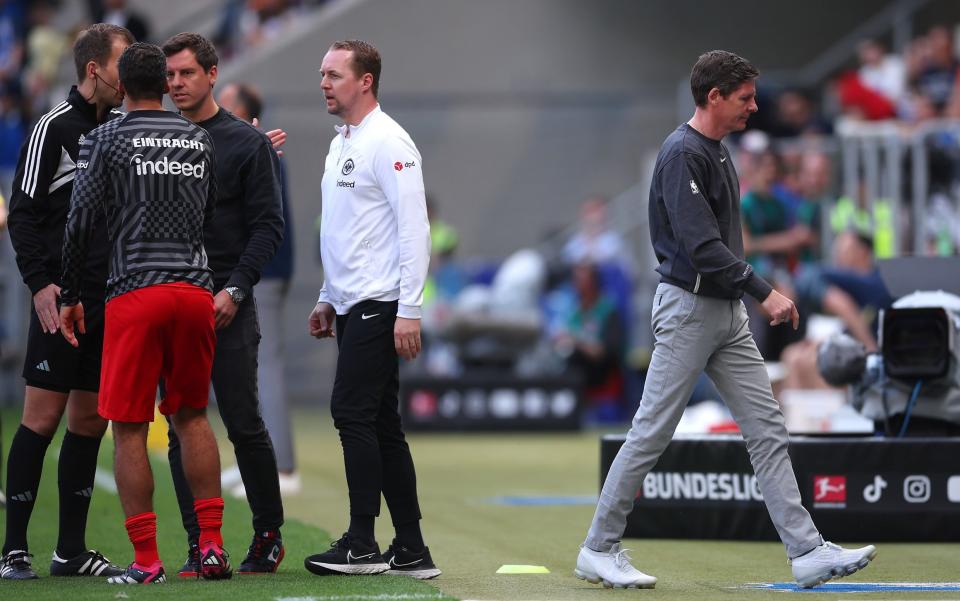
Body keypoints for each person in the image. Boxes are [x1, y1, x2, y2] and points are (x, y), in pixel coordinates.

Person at [574, 50, 876, 590]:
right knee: (651, 432)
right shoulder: (681, 154)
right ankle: (598, 546)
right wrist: (767, 293)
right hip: (689, 310)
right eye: (744, 99)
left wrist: (746, 298)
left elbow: (718, 250)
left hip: (724, 312)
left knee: (767, 427)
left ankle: (806, 550)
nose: (754, 108)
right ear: (714, 97)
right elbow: (703, 249)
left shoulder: (716, 150)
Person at [58, 41, 230, 585]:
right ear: (163, 83)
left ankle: (148, 561)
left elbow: (80, 221)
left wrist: (68, 294)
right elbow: (207, 213)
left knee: (130, 427)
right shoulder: (198, 139)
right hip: (194, 290)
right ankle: (212, 550)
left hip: (136, 291)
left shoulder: (104, 137)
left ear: (122, 86)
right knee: (193, 416)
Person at [1, 23, 134, 581]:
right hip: (62, 299)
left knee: (88, 422)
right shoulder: (52, 128)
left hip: (111, 301)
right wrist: (40, 284)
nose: (130, 76)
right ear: (95, 69)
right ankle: (12, 552)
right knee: (41, 418)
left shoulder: (128, 128)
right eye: (123, 64)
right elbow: (24, 214)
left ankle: (70, 552)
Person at [305, 39, 440, 580]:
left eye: (334, 74)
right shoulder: (342, 142)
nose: (323, 83)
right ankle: (410, 548)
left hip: (381, 304)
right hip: (354, 302)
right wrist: (326, 296)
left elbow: (415, 229)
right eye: (321, 74)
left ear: (365, 81)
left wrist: (410, 308)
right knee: (381, 424)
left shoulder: (389, 140)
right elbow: (346, 232)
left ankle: (362, 543)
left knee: (352, 413)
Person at [161, 32, 287, 575]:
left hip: (229, 303)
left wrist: (235, 289)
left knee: (243, 423)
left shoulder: (246, 144)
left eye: (186, 73)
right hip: (174, 304)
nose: (176, 85)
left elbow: (268, 226)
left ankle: (267, 534)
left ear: (213, 74)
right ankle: (198, 542)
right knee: (179, 426)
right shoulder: (155, 142)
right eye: (169, 76)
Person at [217, 81, 300, 496]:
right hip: (250, 270)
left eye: (227, 102)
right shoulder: (245, 146)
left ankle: (283, 467)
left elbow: (265, 220)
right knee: (248, 371)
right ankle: (255, 461)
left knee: (267, 366)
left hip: (265, 272)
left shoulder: (261, 148)